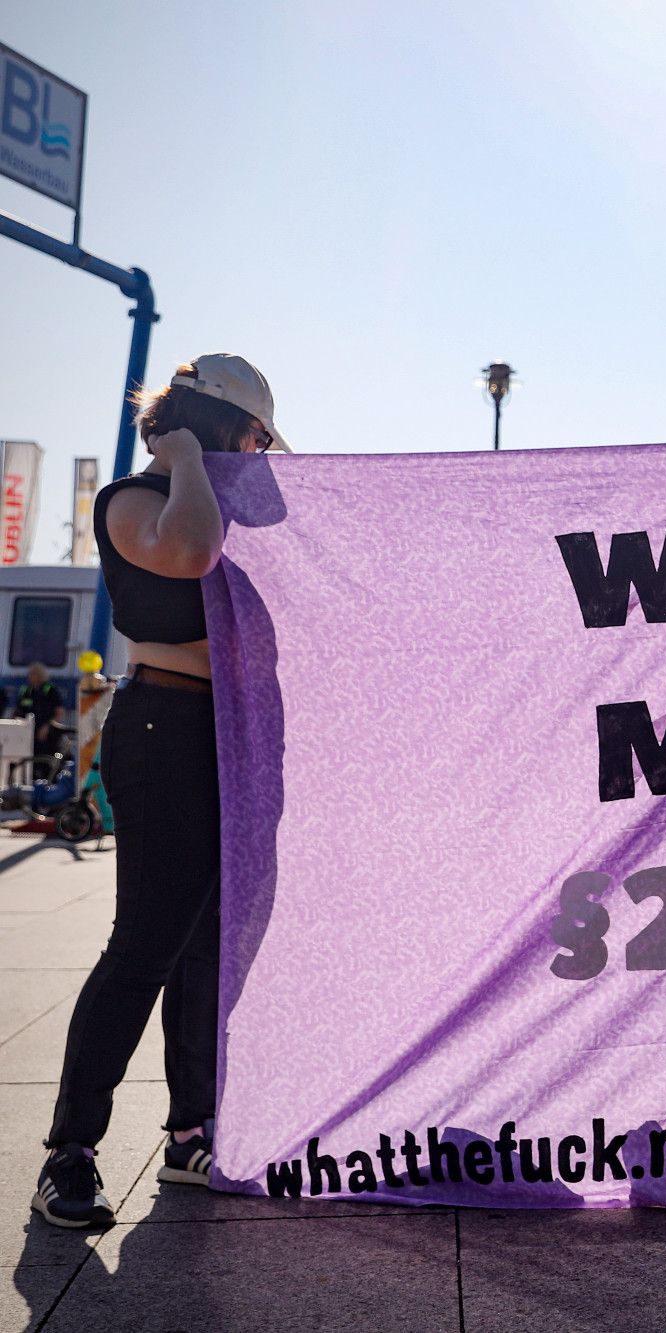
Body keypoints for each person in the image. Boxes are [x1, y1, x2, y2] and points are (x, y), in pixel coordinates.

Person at [34, 354, 289, 1229]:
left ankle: (189, 1133)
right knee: (144, 943)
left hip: (230, 740)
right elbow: (188, 553)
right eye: (253, 435)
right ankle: (69, 1153)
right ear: (215, 424)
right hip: (163, 728)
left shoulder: (214, 499)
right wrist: (183, 457)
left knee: (205, 947)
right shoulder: (137, 500)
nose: (259, 453)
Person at [8, 663, 67, 767]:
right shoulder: (26, 690)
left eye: (32, 674)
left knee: (46, 759)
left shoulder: (51, 690)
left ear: (40, 675)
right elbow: (17, 710)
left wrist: (47, 727)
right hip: (27, 733)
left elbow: (59, 712)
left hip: (47, 734)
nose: (29, 676)